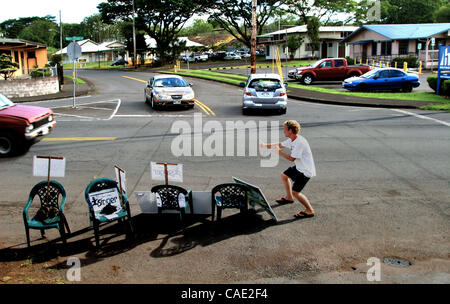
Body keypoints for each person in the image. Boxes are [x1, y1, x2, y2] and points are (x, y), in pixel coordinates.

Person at [259, 120, 316, 219]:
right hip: (299, 167)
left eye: (285, 129)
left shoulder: (299, 143)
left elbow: (291, 159)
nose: (283, 131)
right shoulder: (292, 139)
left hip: (305, 171)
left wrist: (279, 152)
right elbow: (279, 144)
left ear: (290, 130)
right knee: (284, 175)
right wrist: (265, 146)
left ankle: (309, 210)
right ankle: (289, 198)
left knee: (296, 192)